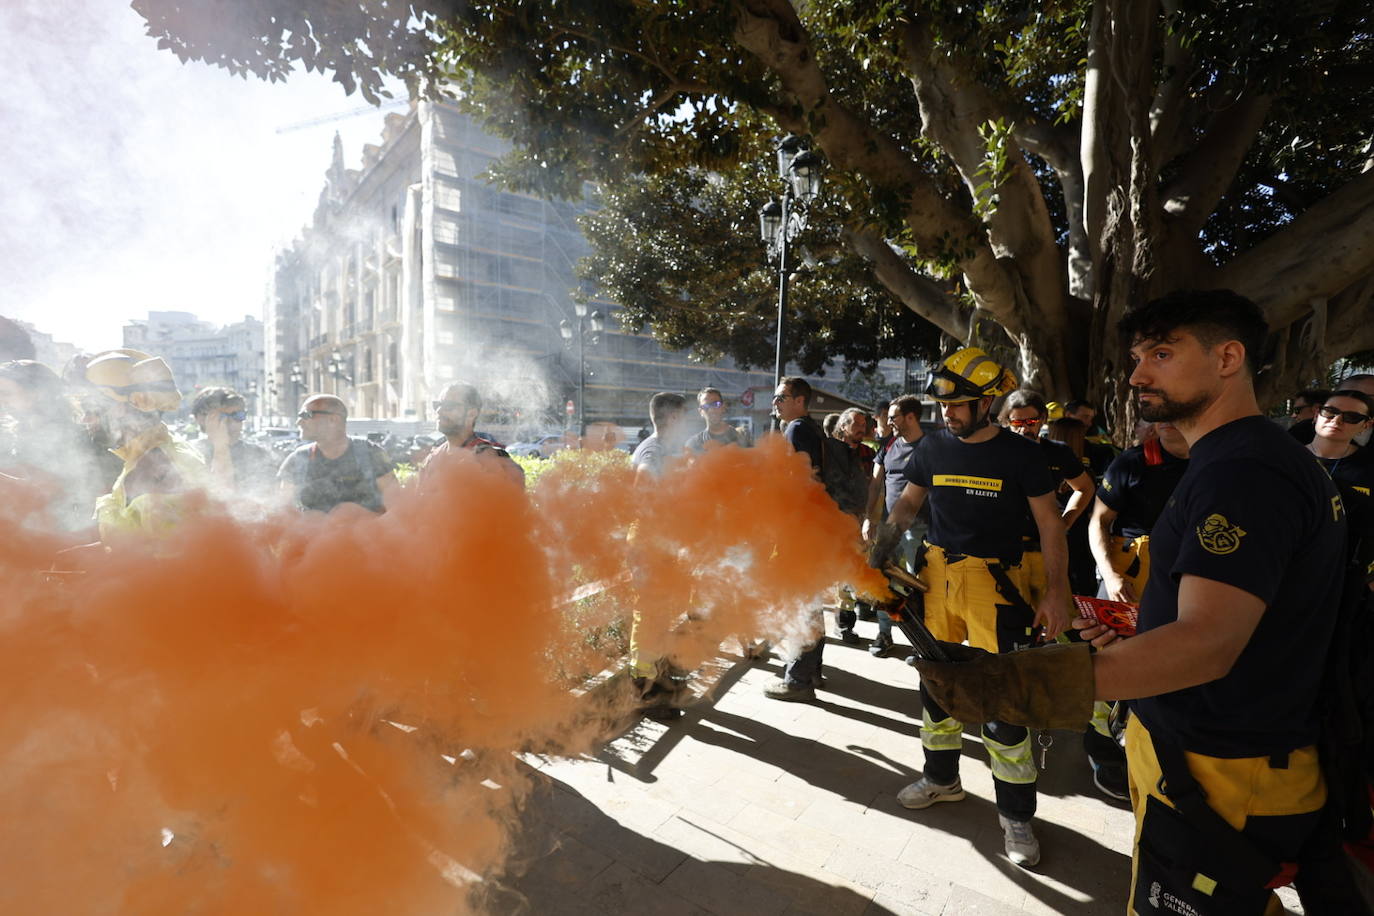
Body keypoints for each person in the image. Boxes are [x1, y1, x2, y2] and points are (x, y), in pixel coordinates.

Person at [913, 290, 1366, 912]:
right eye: (1134, 356)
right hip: (1211, 752)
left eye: (1161, 353)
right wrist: (1136, 636)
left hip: (1223, 764)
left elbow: (1207, 643)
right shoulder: (1237, 460)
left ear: (1228, 357)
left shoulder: (1245, 473)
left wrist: (1029, 685)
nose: (1136, 375)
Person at [869, 348, 1067, 868]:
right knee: (936, 684)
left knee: (1001, 701)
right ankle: (942, 780)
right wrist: (884, 542)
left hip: (995, 587)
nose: (947, 414)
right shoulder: (934, 447)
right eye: (942, 405)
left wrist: (1057, 591)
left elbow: (1050, 524)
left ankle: (1017, 817)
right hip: (936, 578)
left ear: (988, 402)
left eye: (957, 405)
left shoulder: (1023, 456)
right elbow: (910, 501)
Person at [81, 349, 207, 541]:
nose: (85, 419)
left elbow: (164, 562)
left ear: (128, 406)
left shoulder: (156, 466)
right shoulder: (145, 457)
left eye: (91, 409)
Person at [763, 376, 831, 702]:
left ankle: (798, 680)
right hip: (814, 528)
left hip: (800, 529)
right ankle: (812, 671)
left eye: (781, 398)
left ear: (799, 400)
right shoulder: (812, 429)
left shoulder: (795, 430)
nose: (775, 403)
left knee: (801, 605)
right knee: (811, 603)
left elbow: (797, 481)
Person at [0, 360, 109, 535]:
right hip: (22, 535)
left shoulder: (74, 438)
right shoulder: (15, 435)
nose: (1, 401)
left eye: (6, 394)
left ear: (38, 393)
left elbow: (63, 492)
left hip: (59, 538)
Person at [1090, 422, 1190, 605]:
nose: (1167, 420)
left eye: (1174, 415)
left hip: (1186, 567)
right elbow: (1098, 521)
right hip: (1130, 569)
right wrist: (1110, 576)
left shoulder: (1211, 463)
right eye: (1161, 416)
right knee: (1110, 631)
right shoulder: (1131, 461)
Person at [863, 394, 926, 657]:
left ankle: (921, 643)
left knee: (916, 584)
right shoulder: (888, 445)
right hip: (890, 528)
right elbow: (876, 484)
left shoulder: (931, 447)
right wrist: (869, 517)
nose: (888, 422)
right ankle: (884, 634)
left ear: (910, 417)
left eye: (893, 417)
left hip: (921, 529)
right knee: (883, 580)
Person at [279, 395, 397, 514]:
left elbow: (396, 506)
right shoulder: (298, 459)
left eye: (306, 415)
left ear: (333, 419)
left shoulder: (370, 454)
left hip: (367, 531)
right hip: (315, 532)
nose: (298, 422)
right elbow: (284, 510)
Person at [1307, 389, 1374, 590]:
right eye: (1330, 412)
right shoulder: (1285, 458)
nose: (1336, 421)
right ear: (1317, 413)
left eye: (1351, 417)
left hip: (1347, 578)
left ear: (1366, 425)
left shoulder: (1369, 467)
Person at [421, 382, 524, 488]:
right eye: (437, 405)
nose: (439, 411)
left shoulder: (491, 459)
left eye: (449, 406)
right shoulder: (432, 459)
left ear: (472, 414)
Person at [189, 387, 278, 499]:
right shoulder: (188, 454)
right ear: (200, 418)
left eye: (237, 416)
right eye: (221, 417)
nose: (230, 423)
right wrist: (220, 445)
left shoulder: (259, 454)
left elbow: (272, 501)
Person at [630, 392, 688, 480]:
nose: (687, 420)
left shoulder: (660, 446)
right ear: (674, 417)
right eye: (685, 414)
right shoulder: (653, 450)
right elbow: (642, 480)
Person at [685, 387, 749, 452]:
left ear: (723, 407)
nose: (712, 410)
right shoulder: (694, 444)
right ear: (701, 412)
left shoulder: (741, 439)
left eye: (716, 404)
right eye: (706, 406)